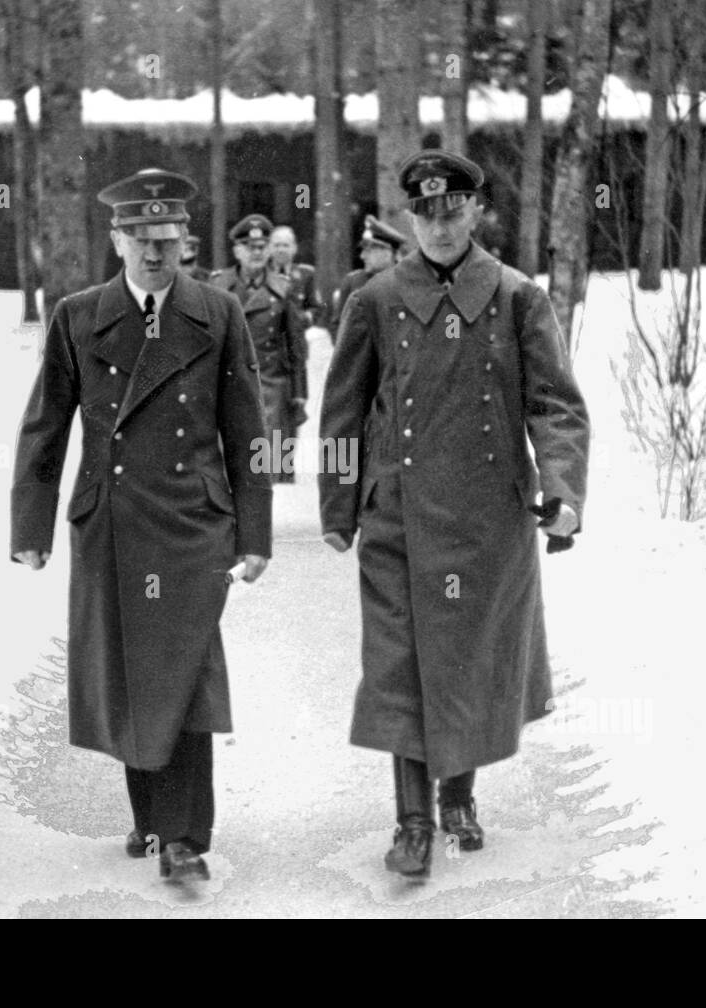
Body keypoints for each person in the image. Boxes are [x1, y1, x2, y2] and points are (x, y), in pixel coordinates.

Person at [318, 149, 591, 878]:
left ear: (477, 212)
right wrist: (338, 505)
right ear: (410, 217)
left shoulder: (518, 299)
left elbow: (556, 405)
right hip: (398, 518)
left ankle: (459, 798)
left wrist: (561, 489)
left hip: (486, 522)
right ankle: (412, 823)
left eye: (453, 210)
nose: (439, 227)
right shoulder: (374, 301)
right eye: (426, 213)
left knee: (469, 662)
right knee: (402, 667)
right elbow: (341, 415)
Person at [10, 168, 272, 884]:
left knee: (184, 672)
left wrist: (255, 534)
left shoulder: (217, 314)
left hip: (192, 524)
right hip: (112, 522)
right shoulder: (78, 315)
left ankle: (186, 836)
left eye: (169, 239)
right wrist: (30, 526)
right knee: (128, 671)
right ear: (117, 239)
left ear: (185, 242)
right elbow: (45, 429)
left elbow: (248, 431)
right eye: (141, 239)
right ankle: (152, 816)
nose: (156, 254)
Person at [210, 215, 309, 484]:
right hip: (229, 383)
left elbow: (295, 345)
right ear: (236, 251)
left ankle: (260, 520)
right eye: (249, 246)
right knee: (230, 464)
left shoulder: (283, 288)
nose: (256, 253)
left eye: (262, 246)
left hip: (271, 383)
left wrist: (299, 393)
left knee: (266, 465)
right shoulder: (218, 286)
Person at [333, 214, 407, 336]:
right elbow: (338, 328)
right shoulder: (352, 282)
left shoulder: (409, 282)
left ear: (388, 252)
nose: (362, 256)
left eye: (369, 250)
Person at [268, 225, 327, 330]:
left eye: (285, 245)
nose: (281, 250)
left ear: (294, 248)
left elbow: (316, 307)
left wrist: (304, 319)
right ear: (269, 248)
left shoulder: (306, 275)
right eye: (277, 245)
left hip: (297, 337)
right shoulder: (261, 274)